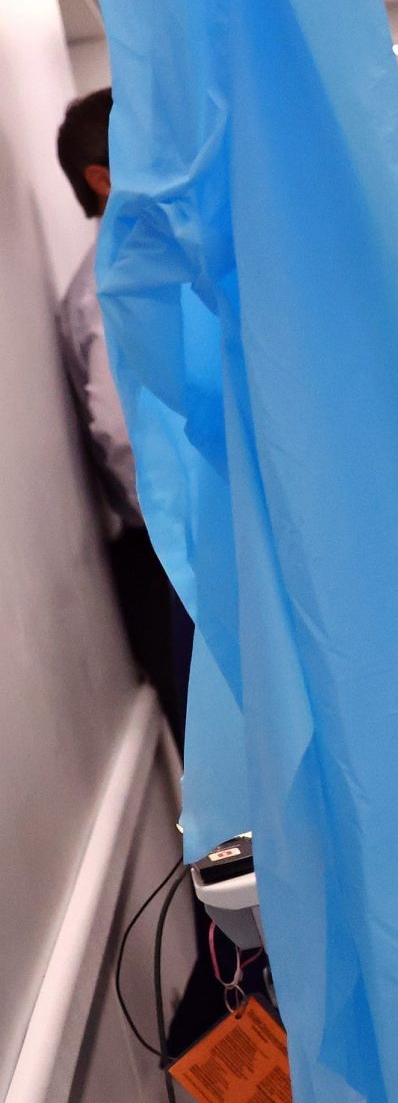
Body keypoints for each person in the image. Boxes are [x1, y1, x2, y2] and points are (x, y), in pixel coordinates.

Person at [55, 86, 193, 734]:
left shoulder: (152, 263)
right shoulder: (106, 291)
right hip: (171, 552)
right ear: (102, 180)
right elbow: (120, 434)